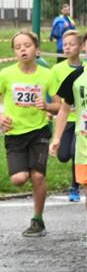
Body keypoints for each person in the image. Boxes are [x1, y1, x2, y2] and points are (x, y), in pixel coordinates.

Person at [0, 30, 58, 237]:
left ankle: (38, 220)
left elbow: (59, 105)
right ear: (14, 53)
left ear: (37, 50)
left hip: (39, 132)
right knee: (19, 179)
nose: (23, 50)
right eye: (18, 47)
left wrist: (47, 106)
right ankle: (25, 168)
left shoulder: (47, 74)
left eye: (27, 45)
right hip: (15, 133)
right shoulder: (6, 74)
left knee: (38, 176)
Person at [50, 41, 86, 228]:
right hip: (84, 142)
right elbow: (64, 108)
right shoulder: (77, 76)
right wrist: (57, 137)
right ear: (84, 47)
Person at [47, 28, 83, 203]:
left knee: (76, 151)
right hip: (67, 118)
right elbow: (56, 95)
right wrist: (55, 107)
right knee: (63, 155)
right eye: (65, 44)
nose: (67, 48)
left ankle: (75, 186)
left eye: (71, 44)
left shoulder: (83, 68)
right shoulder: (58, 69)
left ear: (81, 46)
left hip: (81, 123)